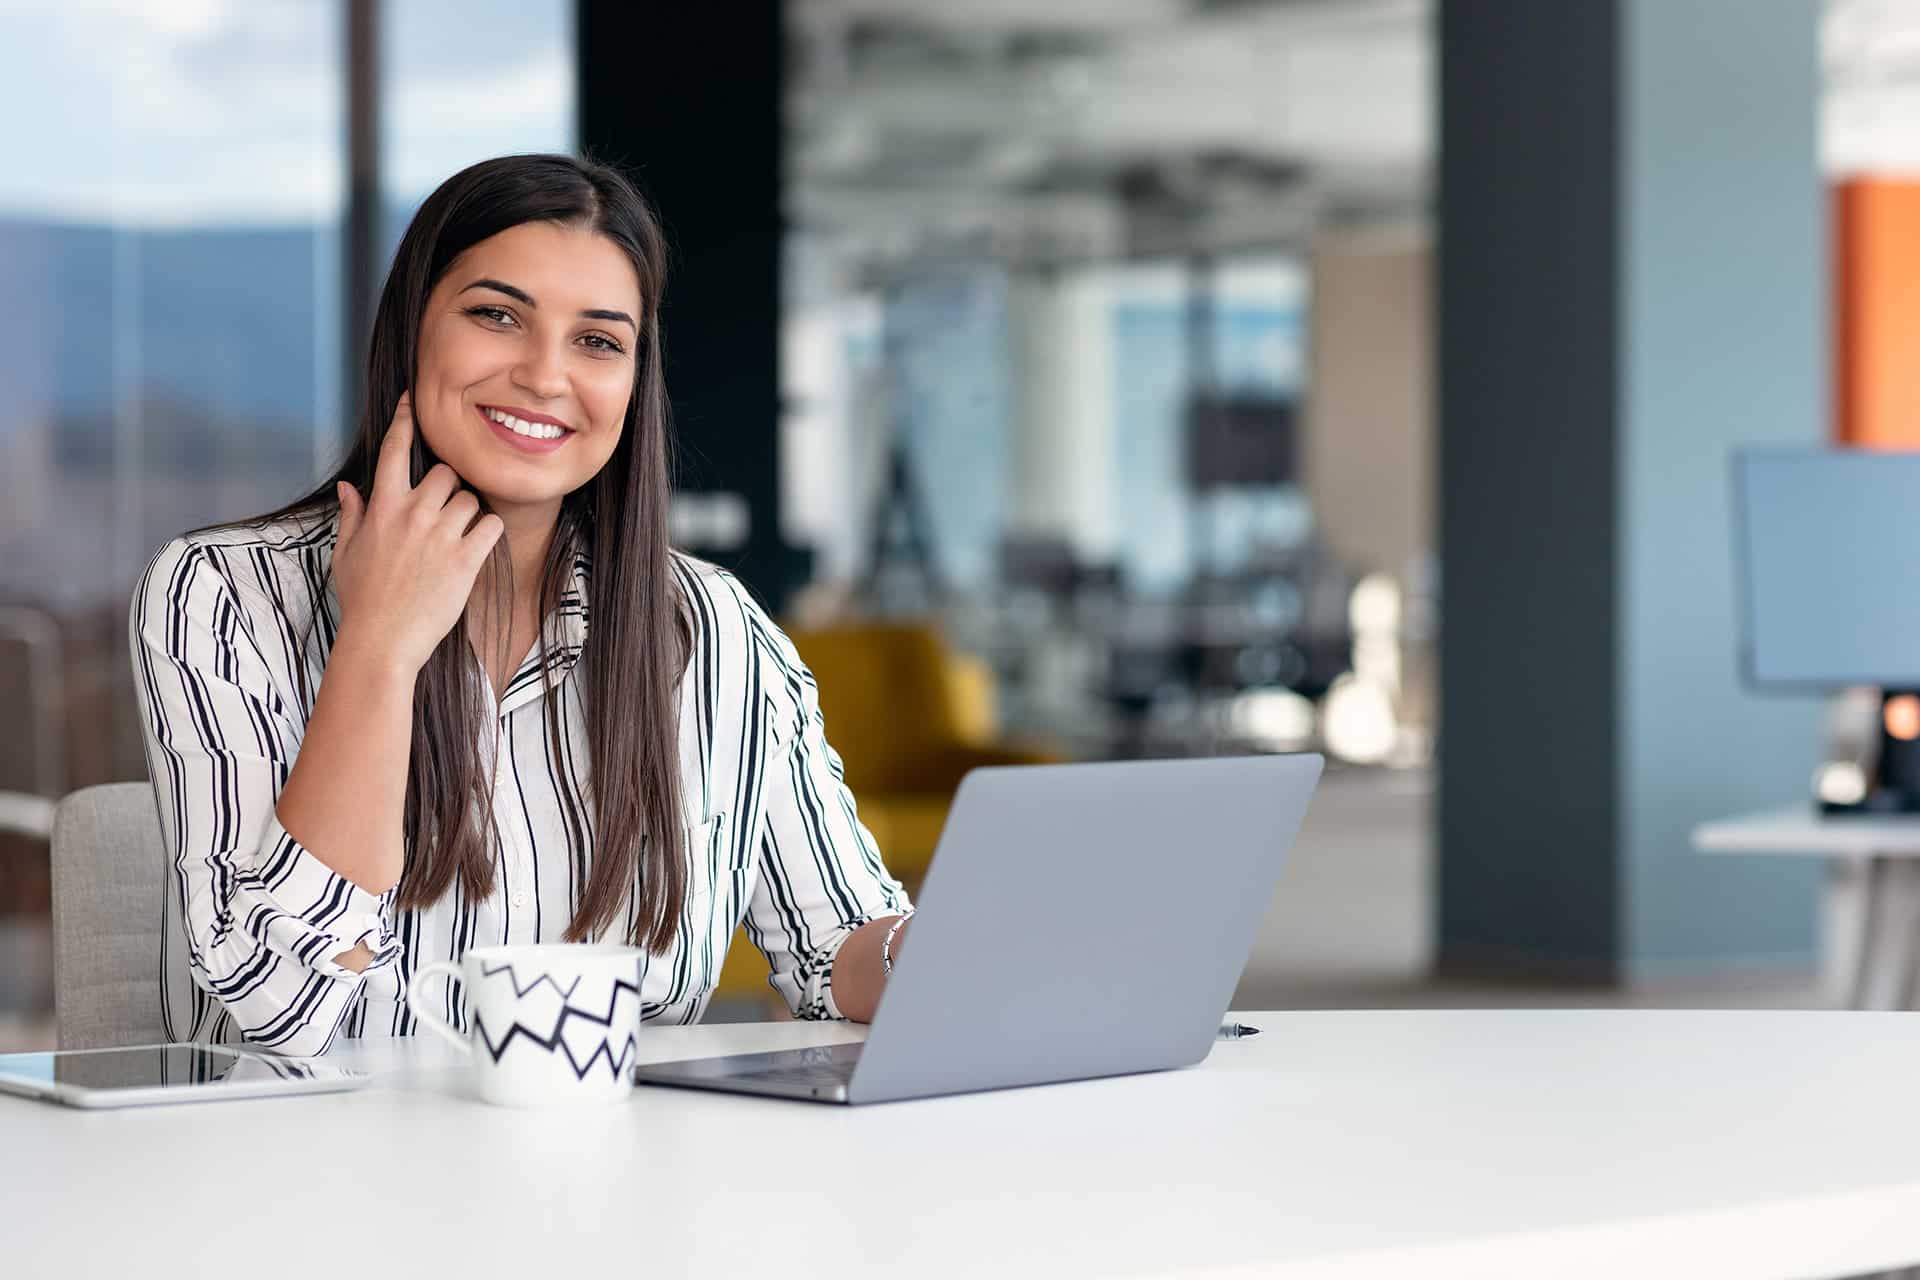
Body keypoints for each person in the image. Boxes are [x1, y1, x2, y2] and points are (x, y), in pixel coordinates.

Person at [128, 153, 912, 1057]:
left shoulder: (715, 630)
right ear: (412, 329)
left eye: (598, 341)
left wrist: (929, 952)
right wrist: (380, 646)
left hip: (620, 1177)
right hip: (307, 1176)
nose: (546, 377)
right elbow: (282, 1009)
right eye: (497, 316)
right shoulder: (221, 595)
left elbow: (837, 946)